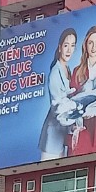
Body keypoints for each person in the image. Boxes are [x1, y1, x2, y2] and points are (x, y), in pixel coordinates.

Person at [69, 25, 96, 156]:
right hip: (82, 128)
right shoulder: (77, 71)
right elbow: (71, 100)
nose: (94, 46)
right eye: (90, 42)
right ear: (85, 45)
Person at [39, 28, 79, 160]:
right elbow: (58, 105)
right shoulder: (55, 72)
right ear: (60, 47)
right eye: (66, 45)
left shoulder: (68, 69)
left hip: (62, 134)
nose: (69, 50)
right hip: (53, 135)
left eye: (72, 46)